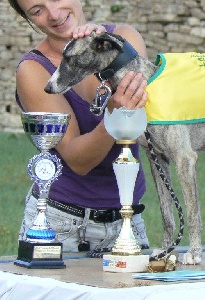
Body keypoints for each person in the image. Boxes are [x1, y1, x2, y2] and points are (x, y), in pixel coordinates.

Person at [9, 0, 150, 253]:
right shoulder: (33, 70)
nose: (54, 14)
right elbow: (78, 160)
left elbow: (145, 119)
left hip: (128, 218)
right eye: (37, 10)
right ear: (29, 20)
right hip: (61, 225)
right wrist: (114, 117)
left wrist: (101, 46)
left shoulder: (126, 38)